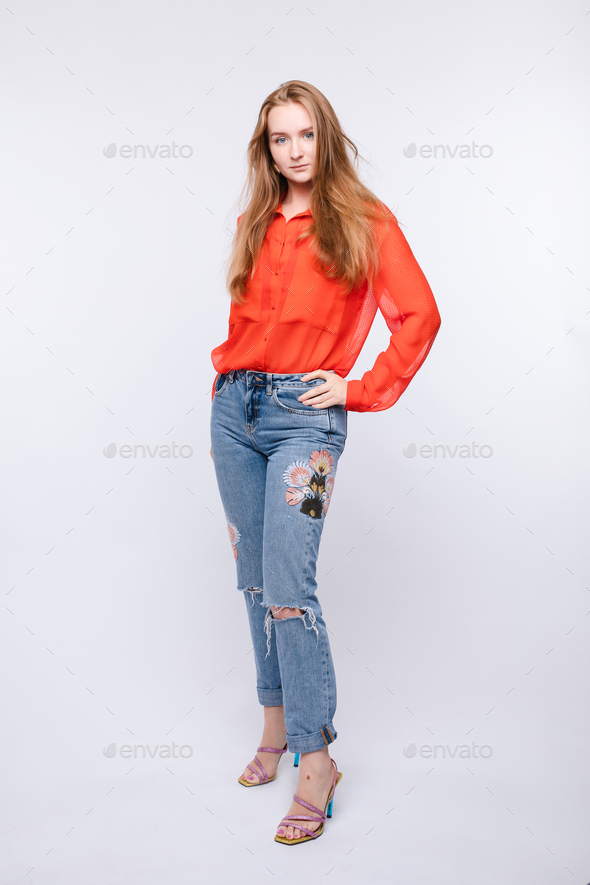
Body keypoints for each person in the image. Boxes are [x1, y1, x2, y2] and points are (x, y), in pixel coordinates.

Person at [209, 80, 441, 845]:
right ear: (266, 148)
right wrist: (230, 389)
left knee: (289, 587)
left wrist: (359, 388)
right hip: (234, 412)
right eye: (280, 138)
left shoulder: (365, 220)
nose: (294, 150)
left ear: (325, 137)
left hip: (304, 422)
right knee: (253, 578)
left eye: (305, 134)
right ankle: (273, 725)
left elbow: (420, 315)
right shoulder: (256, 221)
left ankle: (316, 759)